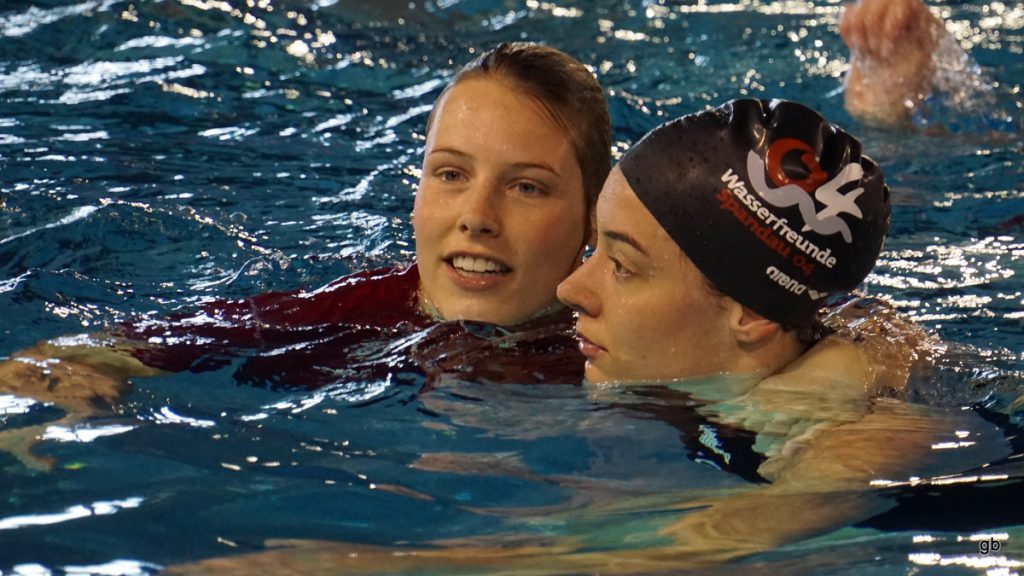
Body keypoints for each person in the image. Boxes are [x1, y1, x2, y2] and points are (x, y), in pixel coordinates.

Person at [162, 99, 1009, 574]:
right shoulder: (788, 362)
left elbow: (656, 557)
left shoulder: (864, 434)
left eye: (624, 265)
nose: (572, 288)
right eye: (594, 247)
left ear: (750, 314)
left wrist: (363, 566)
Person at [0, 42, 611, 468]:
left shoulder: (621, 349)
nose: (477, 216)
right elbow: (86, 355)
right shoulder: (358, 315)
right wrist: (66, 384)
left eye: (526, 187)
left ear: (594, 218)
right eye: (450, 174)